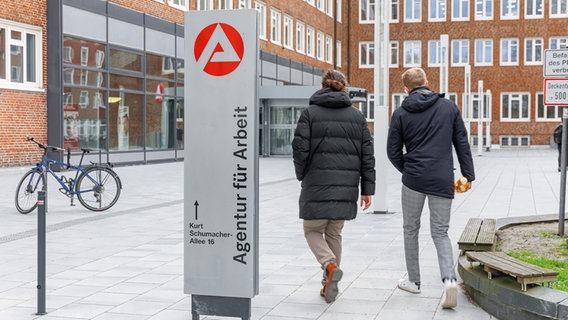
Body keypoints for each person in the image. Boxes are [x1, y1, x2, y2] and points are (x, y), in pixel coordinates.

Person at [386, 67, 475, 309]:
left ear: (406, 88)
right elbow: (462, 143)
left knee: (410, 229)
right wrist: (468, 175)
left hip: (414, 179)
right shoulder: (448, 107)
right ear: (427, 82)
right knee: (440, 231)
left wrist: (409, 169)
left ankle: (414, 282)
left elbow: (392, 151)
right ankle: (448, 279)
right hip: (442, 178)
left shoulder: (401, 112)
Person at [292, 69, 376, 303]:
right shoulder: (357, 117)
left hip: (316, 183)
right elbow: (367, 155)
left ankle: (329, 266)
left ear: (323, 86)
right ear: (344, 87)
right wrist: (368, 189)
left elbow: (299, 149)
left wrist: (302, 175)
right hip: (346, 186)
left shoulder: (310, 113)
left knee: (311, 230)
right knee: (334, 232)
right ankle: (327, 282)